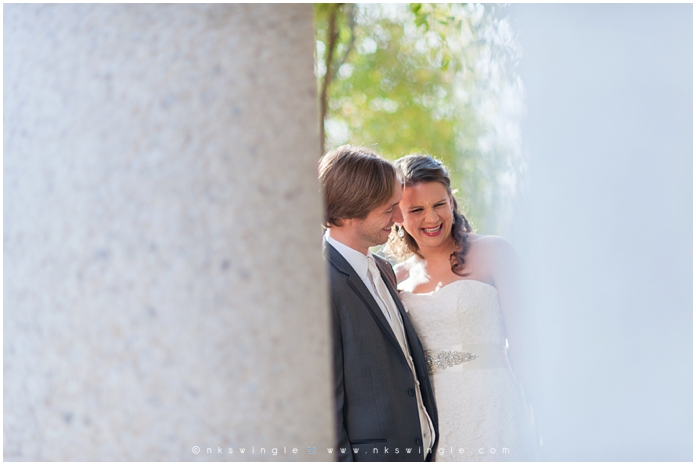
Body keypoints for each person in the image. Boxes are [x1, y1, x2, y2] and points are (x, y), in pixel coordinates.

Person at [386, 154, 539, 462]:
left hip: (494, 406)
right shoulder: (394, 278)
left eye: (439, 204)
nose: (432, 218)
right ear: (397, 216)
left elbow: (528, 346)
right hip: (432, 419)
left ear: (452, 201)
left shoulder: (495, 252)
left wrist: (546, 419)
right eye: (416, 209)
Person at [319, 145, 439, 462]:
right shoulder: (319, 285)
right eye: (389, 210)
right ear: (346, 213)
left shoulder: (384, 269)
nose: (399, 218)